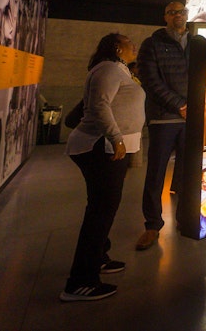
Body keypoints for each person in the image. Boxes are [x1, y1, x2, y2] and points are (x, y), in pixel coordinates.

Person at [60, 33, 144, 302]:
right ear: (118, 48)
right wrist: (116, 138)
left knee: (104, 208)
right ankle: (80, 282)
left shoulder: (118, 70)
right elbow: (99, 105)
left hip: (109, 147)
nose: (134, 46)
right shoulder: (108, 69)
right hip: (101, 147)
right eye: (130, 43)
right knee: (100, 210)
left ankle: (97, 257)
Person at [135, 2, 190, 251]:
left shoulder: (198, 43)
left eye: (182, 11)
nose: (178, 15)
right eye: (172, 12)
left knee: (188, 173)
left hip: (192, 119)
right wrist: (179, 105)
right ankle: (152, 225)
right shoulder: (152, 44)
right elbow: (150, 81)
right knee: (156, 173)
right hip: (164, 119)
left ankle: (185, 219)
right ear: (165, 16)